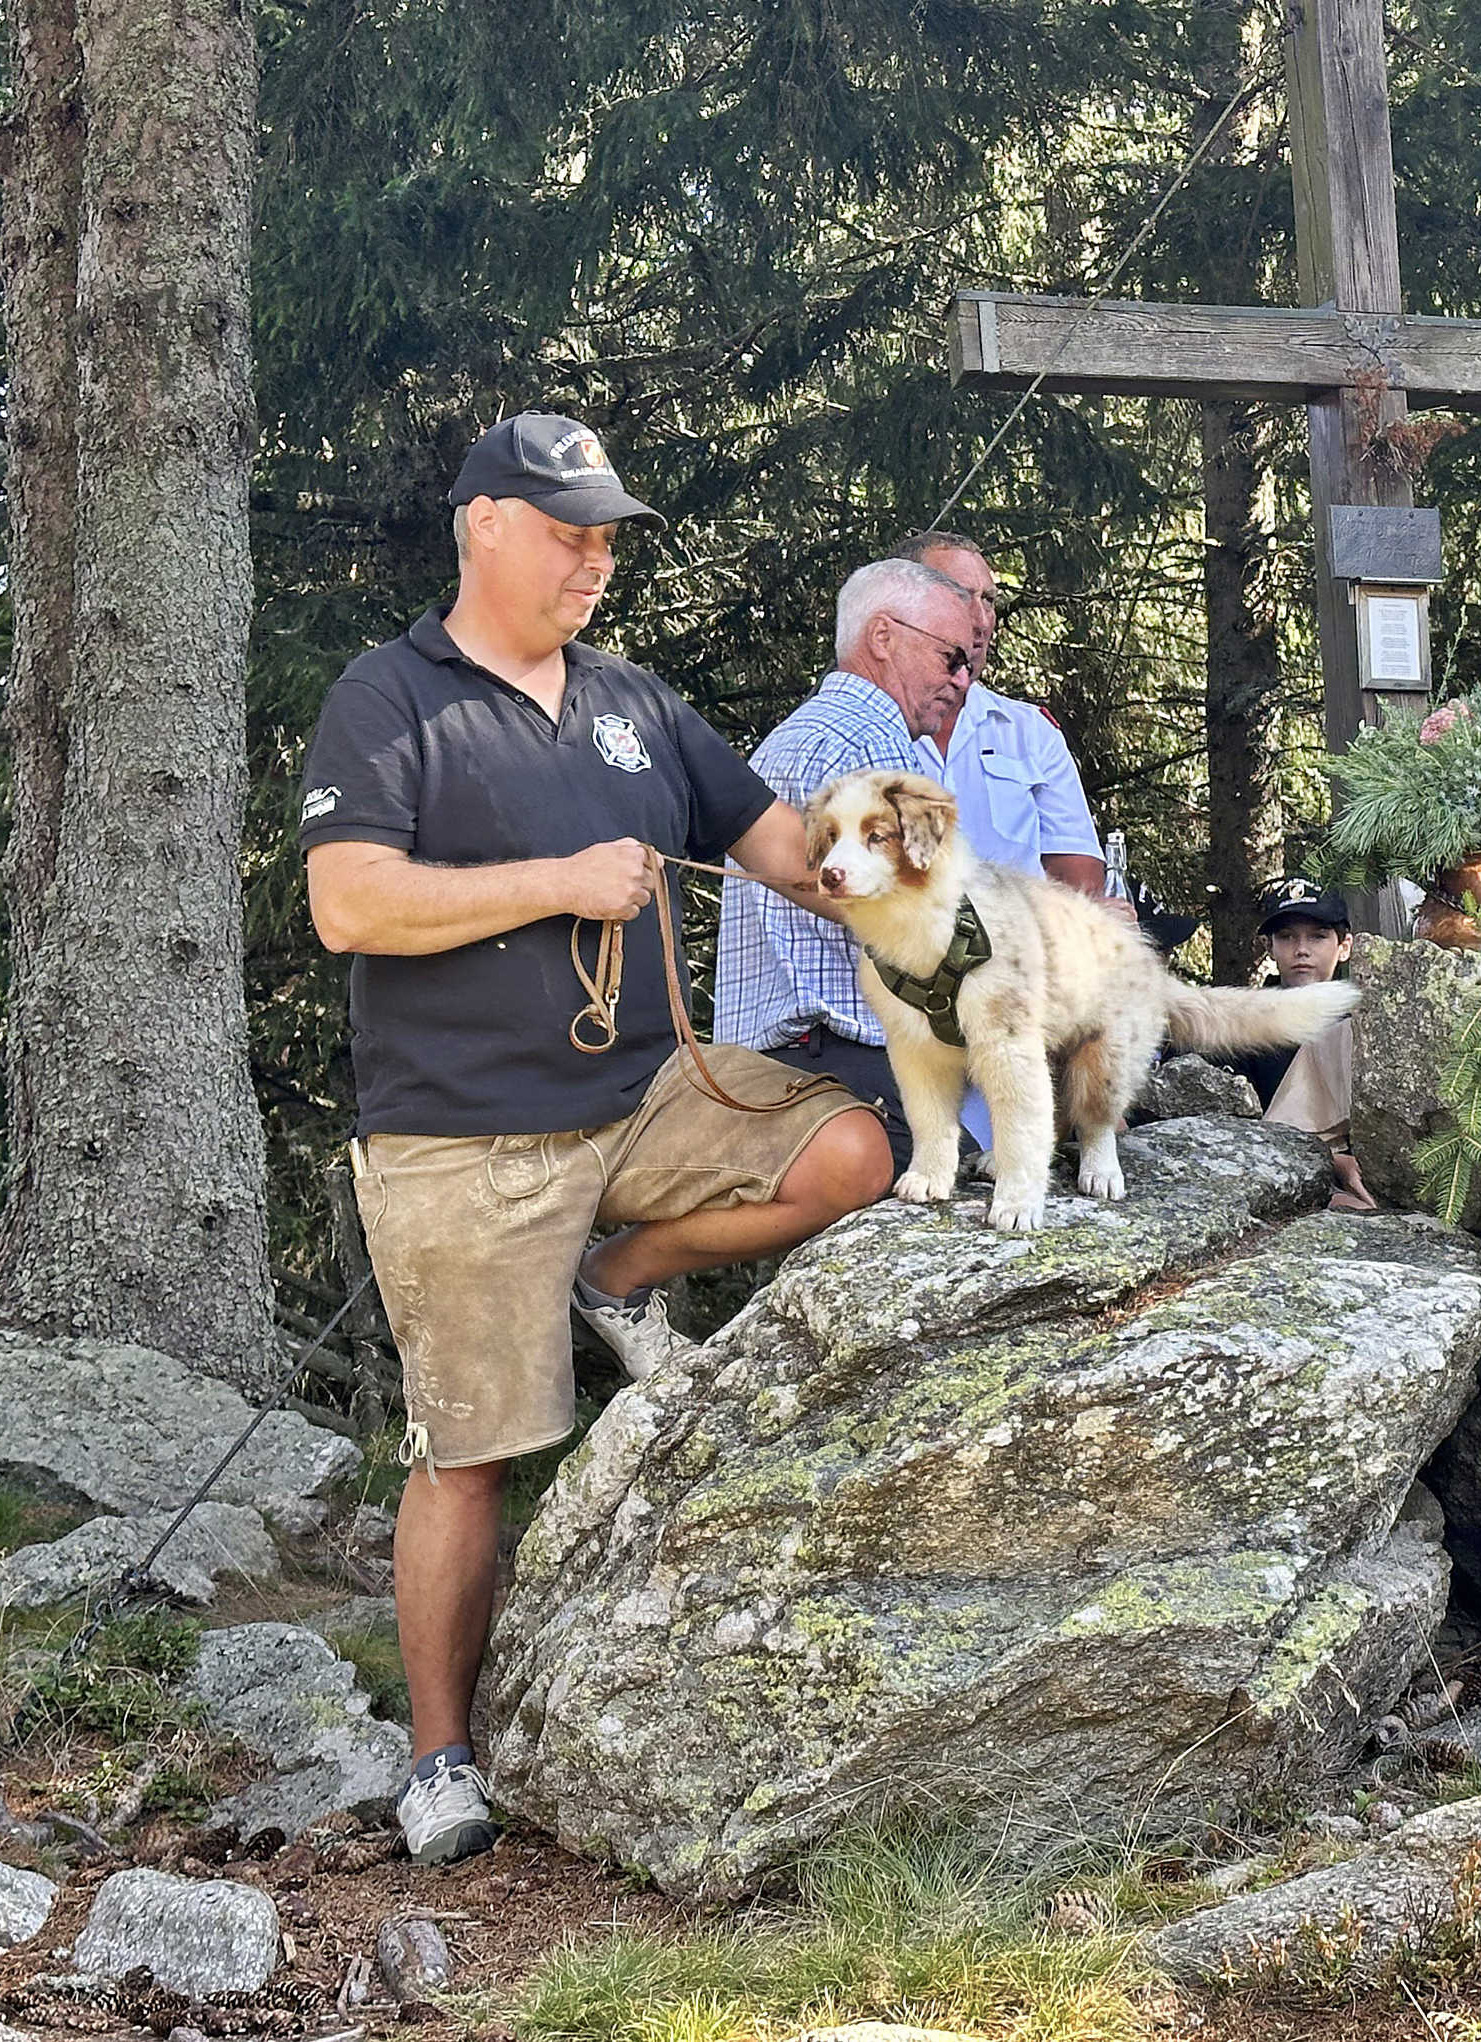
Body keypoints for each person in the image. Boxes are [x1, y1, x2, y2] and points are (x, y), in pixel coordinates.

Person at [299, 413, 893, 1868]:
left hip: (644, 1090)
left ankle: (616, 1274)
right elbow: (350, 902)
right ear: (485, 524)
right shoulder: (389, 698)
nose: (596, 561)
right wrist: (557, 879)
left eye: (609, 538)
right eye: (570, 533)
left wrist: (920, 897)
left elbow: (783, 847)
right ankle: (438, 1757)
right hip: (461, 1137)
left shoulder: (634, 699)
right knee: (474, 1449)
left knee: (849, 1153)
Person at [713, 558, 983, 1167]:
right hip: (846, 1064)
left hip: (780, 1069)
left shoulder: (791, 737)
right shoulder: (870, 747)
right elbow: (935, 928)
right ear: (883, 637)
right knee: (974, 1203)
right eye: (952, 658)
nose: (963, 680)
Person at [889, 531, 1110, 897]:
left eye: (989, 600)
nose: (981, 621)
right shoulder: (860, 729)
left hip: (1019, 931)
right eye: (960, 597)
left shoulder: (1029, 732)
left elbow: (1080, 880)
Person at [1230, 878, 1376, 1211]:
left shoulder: (1370, 1022)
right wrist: (1331, 1162)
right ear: (1270, 948)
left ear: (1345, 946)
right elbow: (1235, 1132)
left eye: (1317, 936)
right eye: (1287, 937)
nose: (1301, 950)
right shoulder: (1244, 1027)